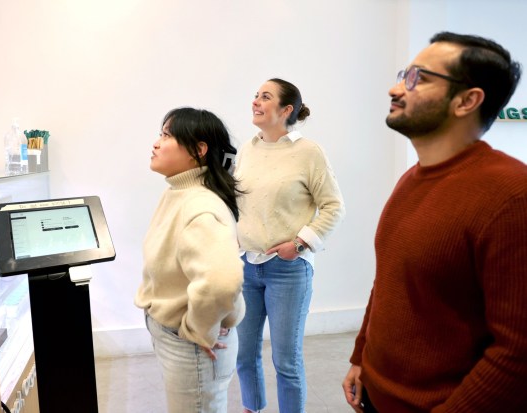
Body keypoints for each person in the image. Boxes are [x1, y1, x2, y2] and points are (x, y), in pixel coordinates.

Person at [342, 32, 527, 413]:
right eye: (402, 74)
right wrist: (362, 357)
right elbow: (389, 281)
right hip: (376, 396)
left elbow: (518, 351)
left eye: (418, 78)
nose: (396, 88)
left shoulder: (512, 195)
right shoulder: (412, 179)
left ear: (467, 101)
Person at [235, 78, 345, 413]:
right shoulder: (248, 149)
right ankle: (252, 409)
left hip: (288, 269)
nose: (256, 101)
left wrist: (299, 244)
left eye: (265, 97)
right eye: (255, 95)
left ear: (286, 110)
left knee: (286, 360)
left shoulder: (308, 152)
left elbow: (333, 206)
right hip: (245, 267)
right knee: (244, 355)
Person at [135, 107, 246, 413]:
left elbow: (222, 282)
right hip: (175, 337)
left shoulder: (199, 205)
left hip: (191, 345)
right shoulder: (179, 193)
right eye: (161, 134)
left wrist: (198, 329)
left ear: (199, 150)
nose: (156, 143)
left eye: (167, 135)